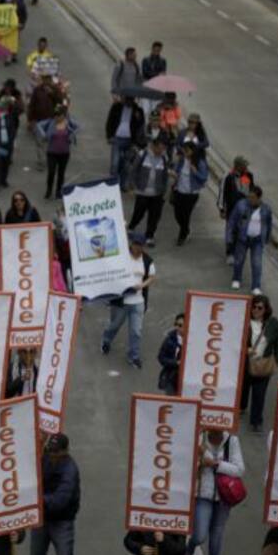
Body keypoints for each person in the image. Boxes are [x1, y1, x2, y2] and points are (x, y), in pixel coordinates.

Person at [25, 433, 82, 555]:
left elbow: (60, 501)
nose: (51, 455)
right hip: (41, 518)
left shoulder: (70, 470)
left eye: (55, 453)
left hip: (62, 522)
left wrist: (36, 499)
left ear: (65, 451)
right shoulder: (46, 457)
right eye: (50, 451)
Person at [187, 429, 244, 555]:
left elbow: (239, 470)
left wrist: (216, 464)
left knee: (217, 537)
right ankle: (189, 550)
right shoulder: (198, 437)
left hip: (224, 497)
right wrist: (200, 463)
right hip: (202, 495)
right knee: (199, 535)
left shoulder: (232, 441)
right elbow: (187, 464)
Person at [101, 233, 154, 367]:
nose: (137, 247)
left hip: (138, 301)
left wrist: (141, 285)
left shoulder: (147, 260)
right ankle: (106, 340)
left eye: (140, 245)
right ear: (131, 244)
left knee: (136, 331)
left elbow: (152, 277)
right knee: (114, 325)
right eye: (135, 244)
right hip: (120, 302)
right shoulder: (121, 257)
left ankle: (133, 356)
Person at [241, 293, 278, 432]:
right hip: (245, 363)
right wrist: (245, 350)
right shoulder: (244, 321)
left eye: (259, 308)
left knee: (259, 394)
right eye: (253, 307)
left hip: (263, 365)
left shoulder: (273, 323)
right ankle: (241, 406)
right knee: (243, 388)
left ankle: (256, 421)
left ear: (266, 309)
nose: (256, 310)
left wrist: (276, 360)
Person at [227, 185, 273, 294]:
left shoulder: (266, 209)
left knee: (257, 263)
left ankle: (256, 286)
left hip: (257, 240)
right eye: (249, 197)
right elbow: (232, 221)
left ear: (259, 198)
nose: (250, 199)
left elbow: (269, 224)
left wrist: (266, 238)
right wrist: (229, 237)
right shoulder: (241, 205)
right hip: (243, 238)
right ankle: (236, 279)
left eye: (252, 197)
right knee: (239, 261)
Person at [126, 139, 169, 245]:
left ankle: (149, 235)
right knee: (139, 212)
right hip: (142, 192)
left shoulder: (164, 158)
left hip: (157, 193)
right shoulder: (143, 155)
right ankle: (131, 227)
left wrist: (164, 190)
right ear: (153, 146)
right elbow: (133, 170)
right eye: (159, 148)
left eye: (163, 148)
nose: (161, 150)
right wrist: (131, 186)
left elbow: (165, 175)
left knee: (154, 216)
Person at [169, 142, 209, 246]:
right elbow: (176, 171)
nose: (185, 153)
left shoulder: (200, 162)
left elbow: (203, 178)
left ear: (193, 151)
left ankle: (182, 236)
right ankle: (186, 229)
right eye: (184, 150)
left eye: (187, 150)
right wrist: (174, 173)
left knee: (186, 215)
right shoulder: (182, 160)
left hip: (191, 194)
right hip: (179, 191)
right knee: (177, 214)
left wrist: (195, 171)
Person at [37, 105, 79, 201]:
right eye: (55, 115)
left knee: (61, 173)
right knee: (51, 172)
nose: (56, 117)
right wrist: (43, 135)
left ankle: (59, 192)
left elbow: (78, 127)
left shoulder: (68, 123)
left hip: (64, 153)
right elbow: (38, 125)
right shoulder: (51, 122)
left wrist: (72, 135)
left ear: (63, 115)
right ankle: (49, 190)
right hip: (52, 152)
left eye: (58, 115)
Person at [157, 312, 185, 394]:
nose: (177, 327)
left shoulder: (193, 340)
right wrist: (176, 363)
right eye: (176, 324)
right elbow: (161, 357)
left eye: (180, 325)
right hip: (171, 377)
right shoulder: (169, 340)